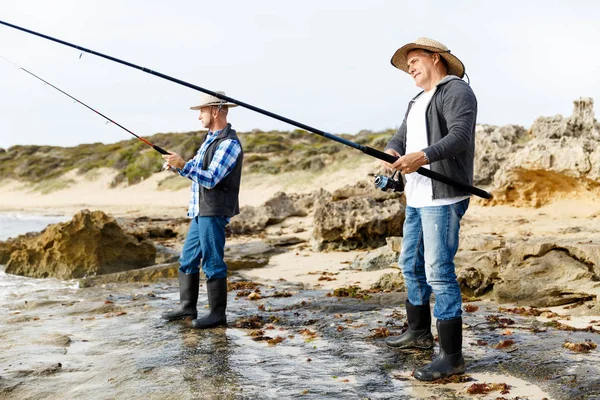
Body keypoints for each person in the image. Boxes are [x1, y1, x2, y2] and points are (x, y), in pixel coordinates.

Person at [381, 38, 477, 381]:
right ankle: (418, 333)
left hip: (444, 197)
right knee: (410, 264)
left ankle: (451, 357)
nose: (409, 67)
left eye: (415, 60)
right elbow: (400, 138)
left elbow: (460, 136)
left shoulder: (456, 91)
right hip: (417, 197)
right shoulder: (416, 100)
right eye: (407, 64)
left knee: (438, 272)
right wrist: (392, 153)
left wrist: (422, 156)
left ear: (436, 58)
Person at [161, 91, 243, 329]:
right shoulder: (209, 139)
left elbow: (210, 179)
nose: (198, 116)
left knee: (212, 262)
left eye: (201, 111)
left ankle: (218, 315)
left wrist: (183, 166)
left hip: (214, 210)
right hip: (199, 211)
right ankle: (187, 307)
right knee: (187, 259)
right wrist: (177, 166)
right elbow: (194, 169)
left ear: (215, 111)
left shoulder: (229, 144)